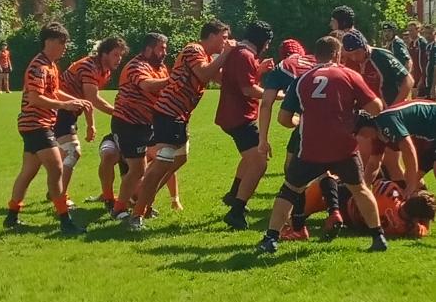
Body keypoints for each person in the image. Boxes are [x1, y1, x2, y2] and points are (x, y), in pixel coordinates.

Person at [257, 36, 386, 253]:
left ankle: (271, 238)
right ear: (337, 54)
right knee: (359, 189)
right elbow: (376, 107)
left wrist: (299, 121)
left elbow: (284, 119)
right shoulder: (349, 75)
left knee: (289, 190)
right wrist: (353, 112)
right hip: (343, 147)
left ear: (316, 56)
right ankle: (378, 236)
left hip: (310, 147)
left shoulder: (302, 80)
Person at [130, 20, 235, 227]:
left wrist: (256, 71)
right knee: (163, 162)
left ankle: (142, 196)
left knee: (179, 159)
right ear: (211, 36)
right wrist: (226, 54)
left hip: (179, 115)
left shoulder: (206, 57)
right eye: (223, 37)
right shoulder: (193, 49)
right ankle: (137, 211)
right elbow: (204, 73)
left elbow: (223, 80)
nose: (226, 41)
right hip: (168, 112)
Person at [3, 22, 92, 234]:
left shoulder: (50, 65)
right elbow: (35, 98)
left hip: (36, 124)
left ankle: (11, 216)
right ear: (49, 41)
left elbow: (54, 91)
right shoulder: (39, 67)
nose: (65, 47)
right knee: (57, 168)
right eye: (62, 42)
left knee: (28, 171)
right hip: (36, 124)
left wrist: (74, 100)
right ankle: (65, 221)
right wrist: (65, 105)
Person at [54, 37, 129, 205]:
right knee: (72, 151)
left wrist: (91, 123)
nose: (119, 59)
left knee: (59, 154)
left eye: (120, 55)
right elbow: (92, 99)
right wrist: (119, 114)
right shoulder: (89, 67)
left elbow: (87, 100)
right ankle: (60, 197)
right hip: (58, 110)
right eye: (115, 54)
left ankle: (55, 190)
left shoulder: (104, 71)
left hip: (69, 111)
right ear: (104, 54)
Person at [215, 20, 275, 230]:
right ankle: (236, 211)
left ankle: (234, 195)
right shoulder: (245, 55)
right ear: (262, 40)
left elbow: (240, 80)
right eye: (267, 42)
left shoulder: (241, 52)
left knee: (249, 158)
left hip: (233, 116)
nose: (267, 47)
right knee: (259, 162)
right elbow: (248, 89)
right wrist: (276, 95)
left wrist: (259, 70)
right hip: (239, 117)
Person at [110, 33, 170, 228]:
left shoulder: (160, 67)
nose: (164, 53)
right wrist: (172, 80)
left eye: (165, 49)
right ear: (149, 49)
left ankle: (141, 202)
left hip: (148, 124)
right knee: (138, 169)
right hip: (128, 123)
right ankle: (119, 208)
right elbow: (147, 85)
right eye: (161, 48)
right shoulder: (136, 66)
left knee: (163, 160)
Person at [303, 176, 435, 239]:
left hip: (348, 201)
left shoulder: (390, 193)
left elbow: (370, 183)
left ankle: (299, 214)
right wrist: (422, 225)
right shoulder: (404, 229)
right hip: (351, 221)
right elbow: (422, 228)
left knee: (326, 180)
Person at [355, 101, 436, 199]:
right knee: (413, 178)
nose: (362, 137)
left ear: (366, 126)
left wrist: (411, 186)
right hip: (430, 137)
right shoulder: (378, 135)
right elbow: (374, 163)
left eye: (360, 133)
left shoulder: (386, 121)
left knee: (415, 179)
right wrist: (362, 190)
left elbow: (408, 150)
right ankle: (427, 206)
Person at [85, 133, 183, 212]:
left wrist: (175, 199)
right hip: (117, 140)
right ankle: (108, 197)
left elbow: (167, 168)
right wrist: (175, 199)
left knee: (135, 191)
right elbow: (167, 165)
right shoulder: (151, 146)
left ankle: (119, 200)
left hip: (131, 157)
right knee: (108, 155)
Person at [342, 29, 414, 106]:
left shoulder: (382, 56)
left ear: (365, 47)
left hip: (390, 106)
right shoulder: (349, 62)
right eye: (350, 55)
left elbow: (408, 81)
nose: (354, 58)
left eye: (357, 53)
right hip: (369, 110)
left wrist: (394, 107)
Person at [407, 21, 428, 97]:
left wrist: (422, 79)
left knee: (421, 99)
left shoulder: (422, 43)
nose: (410, 33)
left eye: (412, 30)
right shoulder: (411, 44)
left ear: (418, 30)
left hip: (422, 78)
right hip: (414, 77)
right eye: (409, 31)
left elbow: (425, 62)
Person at [423, 25, 436, 99]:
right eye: (425, 33)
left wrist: (434, 87)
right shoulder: (427, 46)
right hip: (427, 82)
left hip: (432, 83)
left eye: (430, 33)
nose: (427, 36)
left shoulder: (434, 47)